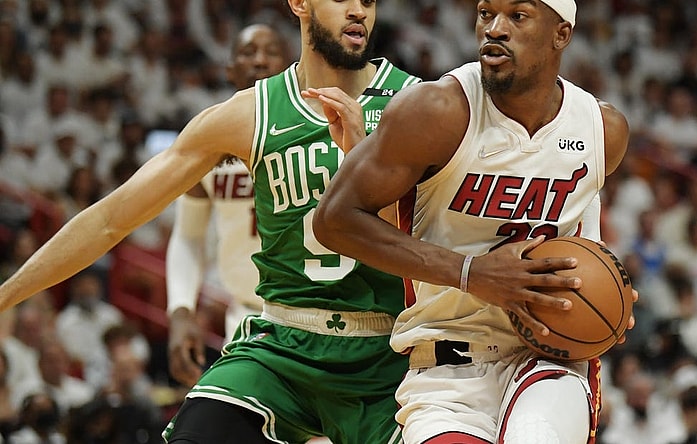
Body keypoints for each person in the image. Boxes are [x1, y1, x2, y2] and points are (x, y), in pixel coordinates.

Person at [0, 0, 420, 443]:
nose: (359, 10)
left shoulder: (415, 102)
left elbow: (441, 244)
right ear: (299, 3)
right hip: (282, 343)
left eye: (369, 0)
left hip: (387, 349)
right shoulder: (247, 114)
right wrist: (6, 295)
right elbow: (110, 219)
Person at [313, 1, 636, 443]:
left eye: (517, 16)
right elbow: (334, 220)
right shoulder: (436, 110)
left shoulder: (602, 129)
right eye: (486, 13)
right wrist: (470, 274)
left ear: (560, 34)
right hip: (446, 369)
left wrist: (610, 292)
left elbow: (587, 242)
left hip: (546, 358)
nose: (495, 29)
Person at [166, 23, 292, 388]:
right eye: (248, 52)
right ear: (229, 70)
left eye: (271, 51)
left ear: (291, 65)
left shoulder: (320, 131)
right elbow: (188, 236)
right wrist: (180, 308)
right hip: (244, 317)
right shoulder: (209, 139)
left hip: (318, 315)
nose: (260, 60)